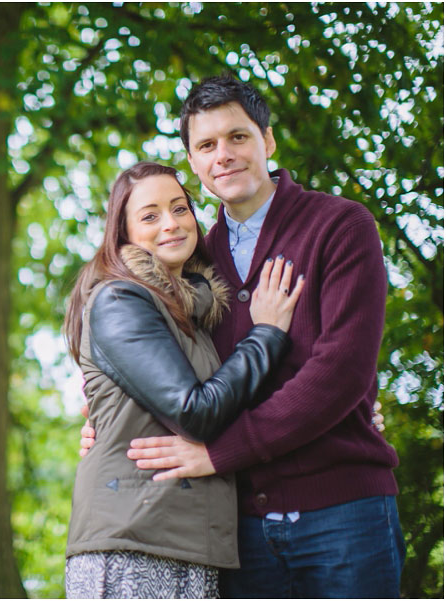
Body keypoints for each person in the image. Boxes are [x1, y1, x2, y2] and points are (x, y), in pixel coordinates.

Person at [81, 75, 405, 598]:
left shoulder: (340, 226)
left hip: (344, 513)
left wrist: (219, 453)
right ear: (192, 162)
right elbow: (155, 363)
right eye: (206, 145)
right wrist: (106, 423)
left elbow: (342, 372)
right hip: (242, 534)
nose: (224, 155)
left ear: (268, 141)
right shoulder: (193, 261)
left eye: (238, 137)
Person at [63, 160, 304, 599]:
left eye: (179, 208)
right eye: (150, 216)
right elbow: (195, 412)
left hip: (189, 540)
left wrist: (357, 410)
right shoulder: (120, 298)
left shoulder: (192, 312)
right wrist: (266, 333)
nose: (171, 224)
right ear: (124, 234)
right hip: (133, 540)